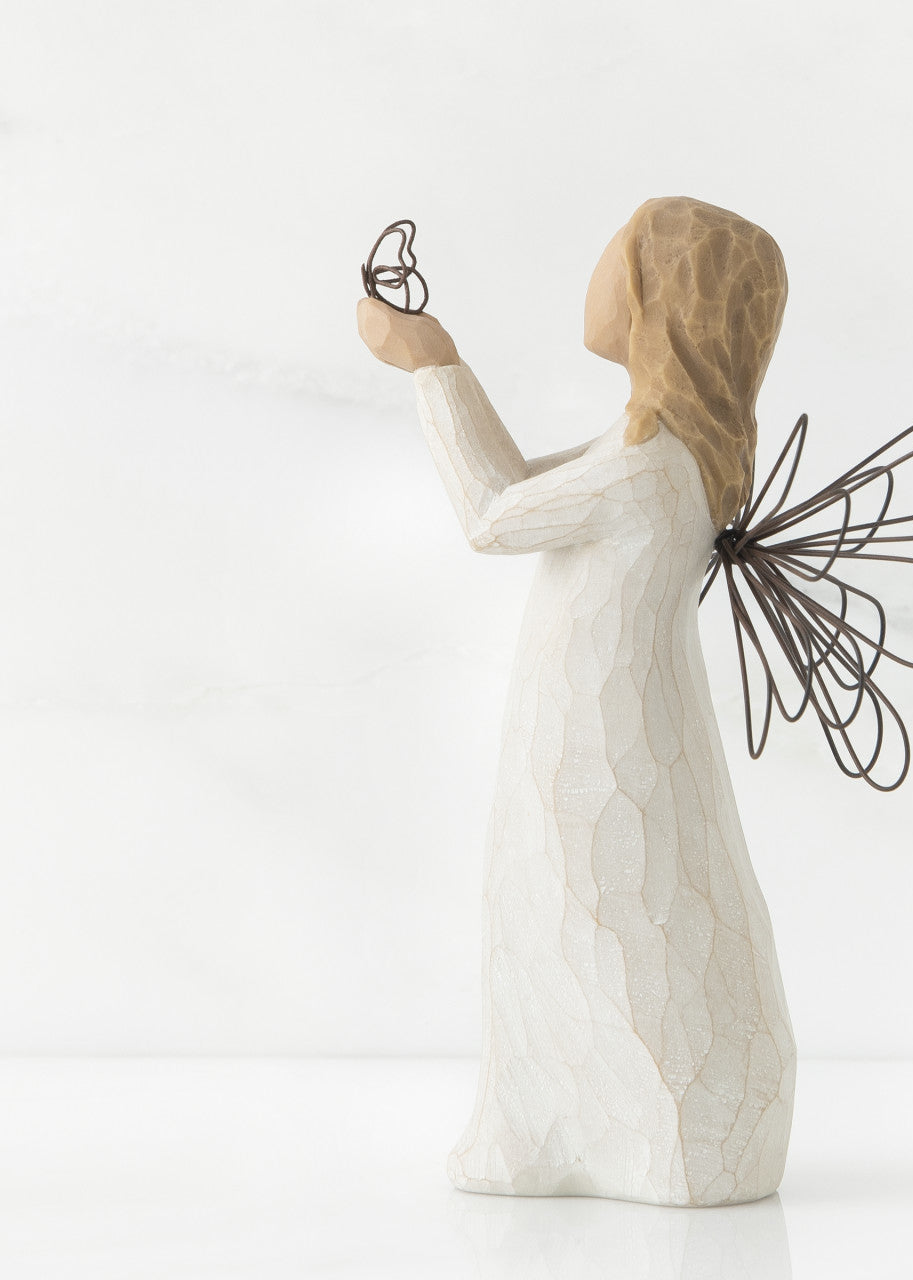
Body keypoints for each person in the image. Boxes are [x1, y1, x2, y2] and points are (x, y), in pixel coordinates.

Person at [357, 196, 795, 1206]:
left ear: (664, 302)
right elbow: (517, 480)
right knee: (564, 911)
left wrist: (429, 361)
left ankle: (646, 1131)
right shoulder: (654, 450)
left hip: (604, 744)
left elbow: (491, 512)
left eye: (623, 254)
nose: (600, 272)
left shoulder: (650, 468)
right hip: (596, 732)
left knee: (595, 912)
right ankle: (551, 1129)